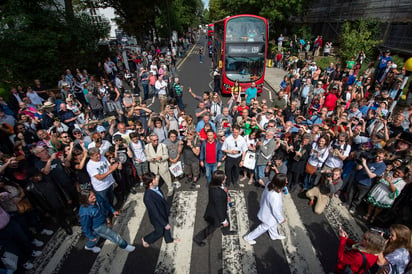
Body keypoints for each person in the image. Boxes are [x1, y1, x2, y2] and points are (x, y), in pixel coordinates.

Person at [193, 170, 236, 247]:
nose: (226, 177)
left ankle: (226, 231)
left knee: (226, 220)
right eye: (224, 178)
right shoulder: (218, 193)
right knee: (212, 227)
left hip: (215, 209)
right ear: (219, 181)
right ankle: (198, 238)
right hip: (216, 214)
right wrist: (223, 220)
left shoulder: (212, 185)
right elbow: (219, 208)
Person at [243, 173, 288, 245]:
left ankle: (274, 235)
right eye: (285, 181)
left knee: (273, 224)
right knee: (263, 227)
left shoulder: (270, 184)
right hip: (269, 215)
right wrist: (281, 219)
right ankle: (248, 237)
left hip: (266, 211)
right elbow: (275, 211)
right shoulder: (275, 196)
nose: (287, 182)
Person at [141, 172, 180, 248]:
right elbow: (155, 212)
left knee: (166, 227)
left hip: (163, 212)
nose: (157, 179)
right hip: (157, 218)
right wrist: (164, 224)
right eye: (154, 179)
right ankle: (146, 239)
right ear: (150, 183)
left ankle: (169, 240)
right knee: (159, 232)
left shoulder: (156, 187)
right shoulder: (148, 197)